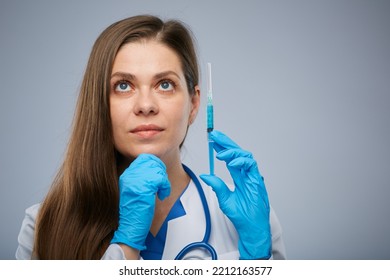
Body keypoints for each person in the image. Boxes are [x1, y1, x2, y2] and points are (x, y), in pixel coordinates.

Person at [15, 15, 286, 260]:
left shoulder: (249, 220)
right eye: (123, 86)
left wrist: (257, 259)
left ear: (193, 104)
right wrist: (126, 246)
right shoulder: (44, 226)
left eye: (165, 85)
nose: (146, 105)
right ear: (98, 104)